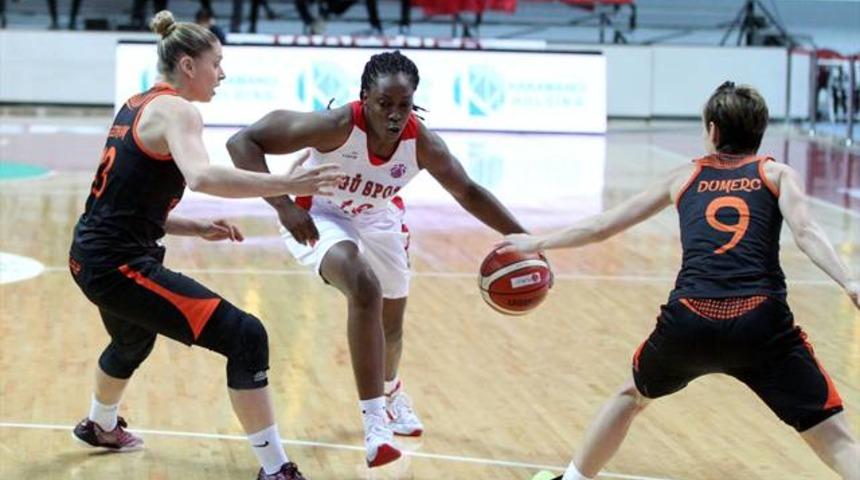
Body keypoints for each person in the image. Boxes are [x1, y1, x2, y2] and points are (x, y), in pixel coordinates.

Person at [500, 82, 860, 480]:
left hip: (690, 319)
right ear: (760, 130)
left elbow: (604, 225)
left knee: (631, 396)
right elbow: (807, 233)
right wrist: (850, 282)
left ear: (713, 130)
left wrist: (537, 241)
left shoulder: (685, 177)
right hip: (761, 322)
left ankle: (572, 479)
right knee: (836, 438)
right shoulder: (775, 173)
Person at [68, 10, 343, 480]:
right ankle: (276, 470)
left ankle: (100, 424)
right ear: (189, 65)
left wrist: (192, 228)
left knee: (133, 338)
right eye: (217, 62)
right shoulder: (178, 110)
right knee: (246, 336)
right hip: (117, 266)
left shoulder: (138, 103)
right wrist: (284, 181)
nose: (223, 73)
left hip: (89, 254)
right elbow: (202, 176)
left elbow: (125, 202)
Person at [226, 50, 529, 467]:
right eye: (385, 103)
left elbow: (469, 192)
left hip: (378, 216)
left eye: (403, 105)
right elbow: (242, 142)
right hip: (319, 214)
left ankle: (391, 390)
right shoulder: (333, 126)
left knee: (392, 323)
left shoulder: (422, 143)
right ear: (365, 97)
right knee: (363, 286)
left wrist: (525, 238)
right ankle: (375, 426)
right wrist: (284, 206)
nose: (394, 114)